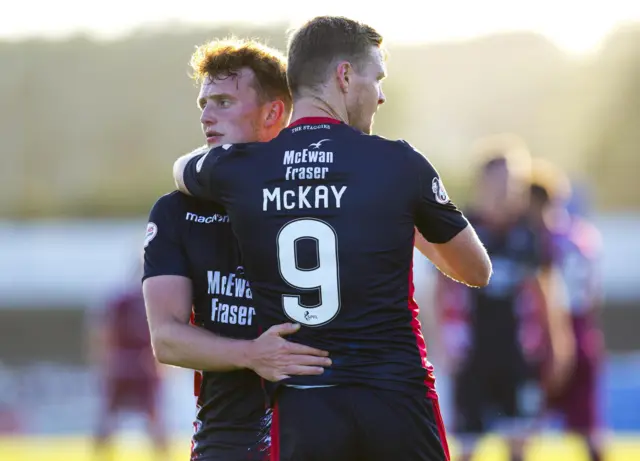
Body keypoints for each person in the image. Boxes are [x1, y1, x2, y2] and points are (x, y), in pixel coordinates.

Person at [172, 16, 491, 461]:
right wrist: (403, 221)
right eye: (376, 77)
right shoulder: (397, 163)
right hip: (396, 395)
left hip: (305, 401)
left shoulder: (241, 169)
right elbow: (476, 270)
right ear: (344, 76)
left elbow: (184, 169)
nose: (380, 94)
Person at [142, 38, 331, 461]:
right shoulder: (178, 209)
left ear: (273, 113)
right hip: (229, 437)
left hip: (326, 429)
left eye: (224, 101)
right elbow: (167, 339)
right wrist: (252, 354)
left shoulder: (323, 197)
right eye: (204, 103)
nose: (207, 115)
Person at [432, 137, 575, 461]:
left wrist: (558, 344)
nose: (506, 189)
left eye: (513, 181)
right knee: (466, 445)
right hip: (472, 354)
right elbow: (441, 287)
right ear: (482, 182)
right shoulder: (462, 227)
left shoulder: (530, 233)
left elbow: (546, 292)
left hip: (518, 354)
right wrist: (443, 344)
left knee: (520, 443)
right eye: (499, 180)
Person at [528, 160, 605, 461]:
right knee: (589, 430)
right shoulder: (584, 235)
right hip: (585, 329)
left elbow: (545, 291)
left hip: (550, 333)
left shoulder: (542, 239)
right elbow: (595, 293)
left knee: (523, 427)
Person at [88, 266, 168, 461]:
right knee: (150, 418)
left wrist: (104, 361)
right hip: (139, 364)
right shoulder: (149, 300)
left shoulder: (121, 300)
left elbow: (102, 332)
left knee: (111, 418)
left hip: (126, 364)